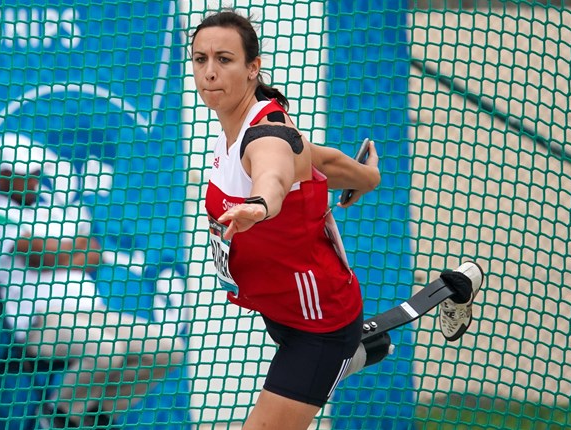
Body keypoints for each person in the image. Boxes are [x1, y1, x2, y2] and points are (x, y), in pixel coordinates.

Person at [191, 10, 484, 430]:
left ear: (253, 68)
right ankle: (363, 348)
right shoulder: (241, 123)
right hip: (284, 312)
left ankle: (357, 346)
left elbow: (273, 173)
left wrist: (259, 205)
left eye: (224, 59)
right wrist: (368, 176)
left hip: (317, 328)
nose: (210, 72)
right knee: (327, 365)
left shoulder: (267, 136)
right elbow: (320, 159)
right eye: (200, 60)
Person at [0, 133, 186, 429]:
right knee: (106, 349)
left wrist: (62, 250)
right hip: (40, 325)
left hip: (93, 314)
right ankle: (55, 420)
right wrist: (70, 249)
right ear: (4, 176)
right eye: (28, 176)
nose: (35, 182)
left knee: (168, 348)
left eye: (36, 174)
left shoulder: (49, 211)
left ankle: (96, 420)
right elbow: (39, 257)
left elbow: (93, 253)